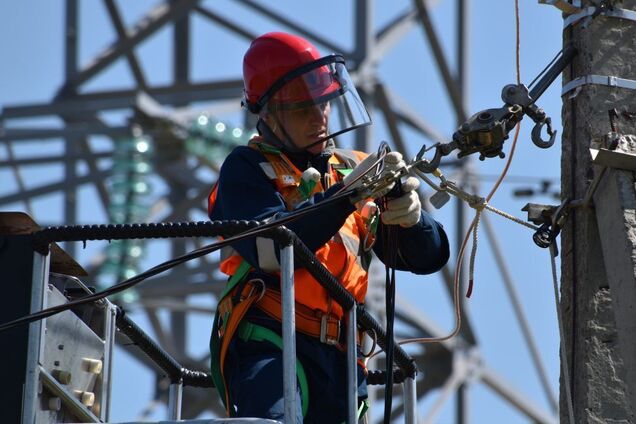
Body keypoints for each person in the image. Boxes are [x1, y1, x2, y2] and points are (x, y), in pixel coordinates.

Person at [208, 31, 449, 423]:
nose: (318, 118)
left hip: (342, 356)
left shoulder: (352, 169)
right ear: (268, 114)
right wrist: (344, 198)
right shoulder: (248, 169)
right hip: (273, 337)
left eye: (323, 105)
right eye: (303, 109)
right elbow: (270, 251)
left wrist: (412, 217)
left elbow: (427, 257)